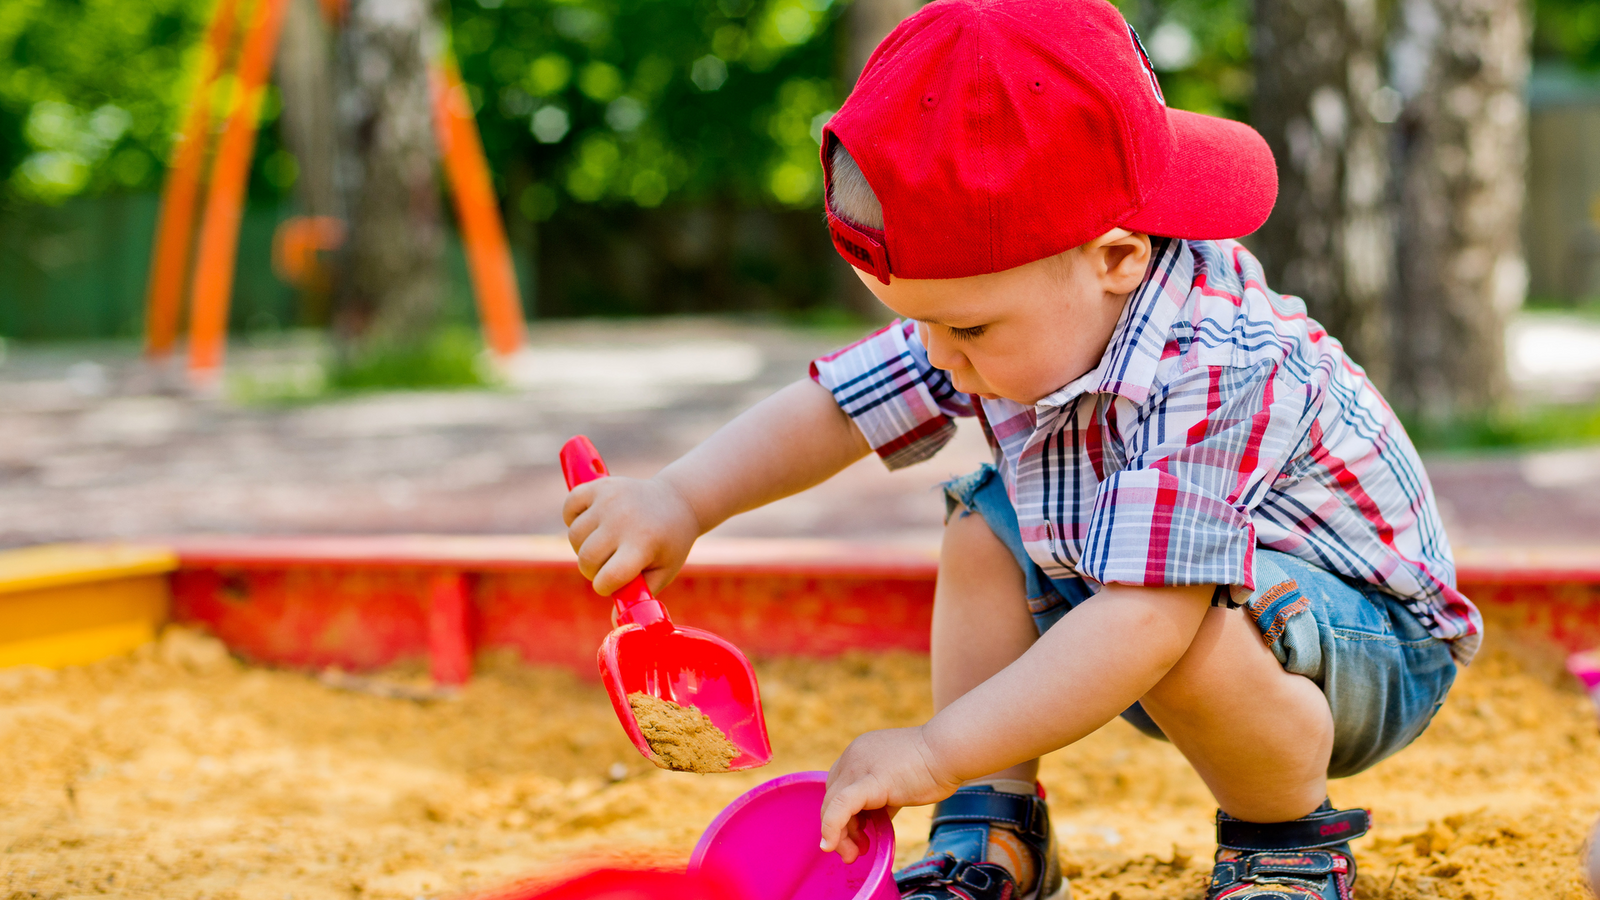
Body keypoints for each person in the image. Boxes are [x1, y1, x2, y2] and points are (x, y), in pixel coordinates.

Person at [562, 1, 1480, 897]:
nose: (940, 357)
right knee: (985, 523)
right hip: (1153, 604)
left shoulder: (1220, 362)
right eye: (920, 324)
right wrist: (680, 500)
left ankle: (1283, 843)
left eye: (963, 330)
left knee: (1186, 615)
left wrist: (931, 747)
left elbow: (1147, 620)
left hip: (1368, 646)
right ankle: (990, 831)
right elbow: (841, 407)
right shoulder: (998, 309)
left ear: (1116, 257)